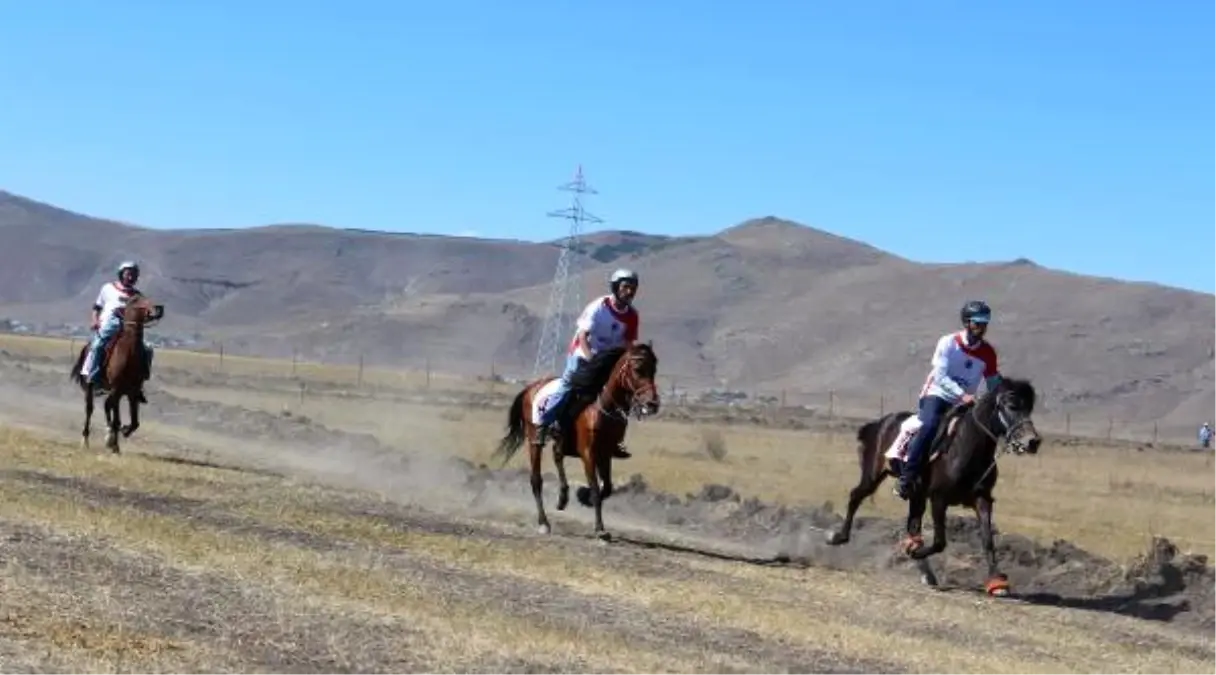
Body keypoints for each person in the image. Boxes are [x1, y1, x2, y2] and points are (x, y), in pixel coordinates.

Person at [896, 300, 1001, 500]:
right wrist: (962, 394)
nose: (982, 327)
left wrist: (1003, 394)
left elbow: (993, 380)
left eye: (985, 322)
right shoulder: (948, 342)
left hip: (965, 403)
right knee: (929, 426)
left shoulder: (988, 352)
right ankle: (907, 478)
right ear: (967, 322)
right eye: (978, 322)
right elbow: (940, 376)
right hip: (937, 394)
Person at [536, 268, 640, 458]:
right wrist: (590, 359)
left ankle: (615, 440)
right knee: (569, 384)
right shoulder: (598, 307)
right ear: (616, 287)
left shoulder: (632, 315)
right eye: (626, 287)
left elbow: (627, 344)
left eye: (633, 288)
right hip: (583, 354)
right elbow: (583, 336)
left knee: (621, 393)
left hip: (609, 359)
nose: (630, 292)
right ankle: (546, 423)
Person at [80, 261, 154, 402]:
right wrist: (95, 320)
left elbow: (144, 314)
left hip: (129, 329)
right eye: (128, 274)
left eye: (133, 274)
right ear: (122, 274)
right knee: (97, 346)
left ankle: (139, 383)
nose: (131, 277)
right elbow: (97, 307)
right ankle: (93, 378)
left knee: (147, 349)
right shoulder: (108, 288)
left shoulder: (138, 296)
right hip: (109, 324)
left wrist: (149, 316)